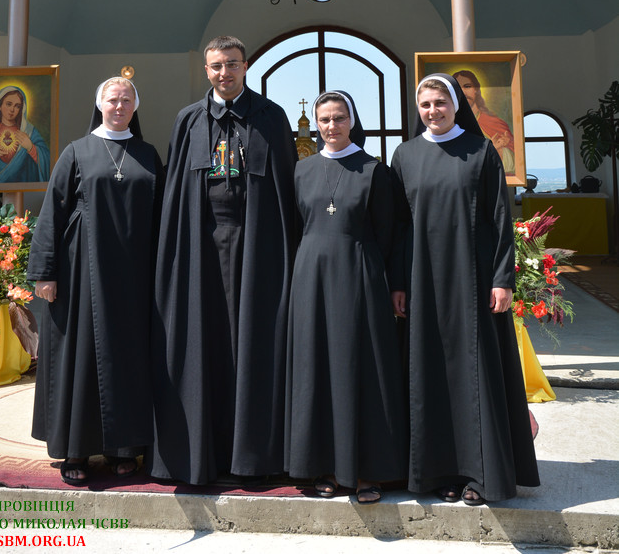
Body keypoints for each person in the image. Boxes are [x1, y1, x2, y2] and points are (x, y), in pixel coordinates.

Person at [150, 36, 298, 486]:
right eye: (216, 66)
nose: (224, 73)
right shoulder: (189, 119)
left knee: (255, 341)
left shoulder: (271, 117)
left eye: (232, 64)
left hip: (258, 246)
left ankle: (254, 457)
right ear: (207, 70)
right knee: (205, 342)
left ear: (246, 66)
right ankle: (203, 453)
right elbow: (175, 191)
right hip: (201, 247)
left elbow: (286, 189)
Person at [390, 73, 539, 506]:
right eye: (425, 105)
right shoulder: (405, 155)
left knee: (473, 374)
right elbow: (398, 227)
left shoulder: (481, 151)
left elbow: (500, 219)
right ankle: (438, 473)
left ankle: (479, 474)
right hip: (421, 282)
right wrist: (397, 283)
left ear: (455, 105)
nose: (432, 111)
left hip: (473, 282)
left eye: (440, 102)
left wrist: (502, 279)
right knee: (429, 373)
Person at [27, 77, 163, 487]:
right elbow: (52, 212)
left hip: (136, 276)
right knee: (81, 356)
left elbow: (163, 215)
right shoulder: (76, 151)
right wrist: (45, 271)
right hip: (82, 272)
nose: (119, 106)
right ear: (99, 104)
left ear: (135, 107)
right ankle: (77, 449)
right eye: (112, 99)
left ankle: (125, 448)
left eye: (126, 100)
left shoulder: (148, 154)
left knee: (129, 357)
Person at [285, 91, 407, 504]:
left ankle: (367, 470)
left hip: (360, 276)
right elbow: (295, 227)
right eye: (324, 120)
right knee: (317, 368)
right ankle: (322, 465)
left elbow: (389, 234)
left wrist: (390, 282)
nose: (331, 126)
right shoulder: (302, 170)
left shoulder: (374, 171)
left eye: (339, 118)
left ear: (352, 121)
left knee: (362, 368)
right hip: (311, 279)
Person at [0, 85, 50, 185]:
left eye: (17, 106)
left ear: (21, 109)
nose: (12, 109)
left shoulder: (29, 132)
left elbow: (48, 160)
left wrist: (31, 147)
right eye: (9, 104)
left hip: (22, 183)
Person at [453, 69, 516, 174]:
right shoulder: (446, 126)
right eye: (458, 88)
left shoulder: (494, 123)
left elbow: (515, 165)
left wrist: (499, 150)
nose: (463, 92)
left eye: (467, 86)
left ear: (476, 90)